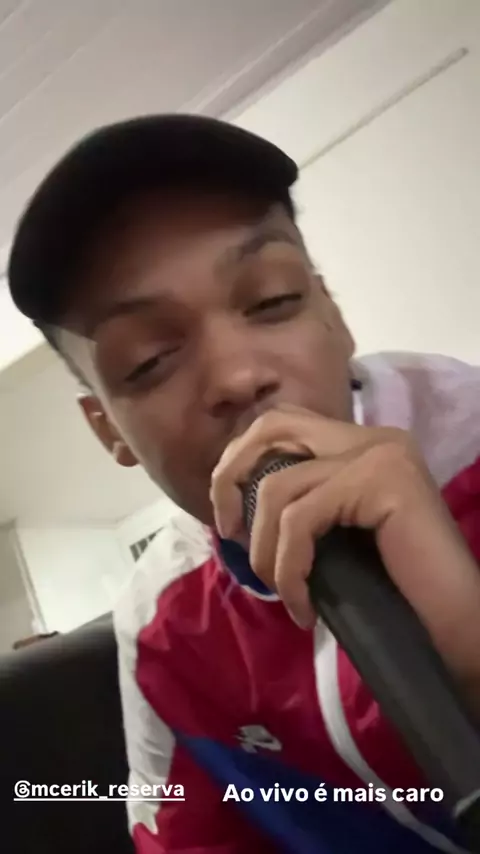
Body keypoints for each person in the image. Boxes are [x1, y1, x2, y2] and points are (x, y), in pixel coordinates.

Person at [7, 114, 480, 854]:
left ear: (334, 314)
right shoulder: (161, 628)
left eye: (272, 301)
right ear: (108, 431)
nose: (237, 375)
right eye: (149, 360)